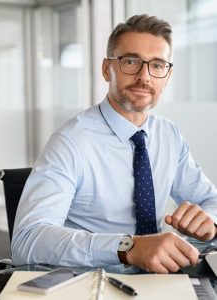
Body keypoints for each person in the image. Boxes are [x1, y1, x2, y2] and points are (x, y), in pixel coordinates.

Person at [11, 14, 217, 274]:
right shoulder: (71, 142)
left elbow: (211, 199)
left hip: (162, 280)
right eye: (130, 61)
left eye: (157, 65)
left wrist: (210, 220)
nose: (144, 76)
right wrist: (127, 247)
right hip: (99, 283)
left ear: (167, 75)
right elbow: (27, 240)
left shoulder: (169, 134)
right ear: (106, 69)